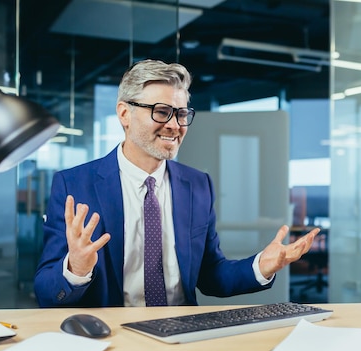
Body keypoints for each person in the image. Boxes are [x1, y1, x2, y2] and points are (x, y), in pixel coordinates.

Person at [34, 59, 319, 308]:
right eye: (161, 111)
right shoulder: (75, 185)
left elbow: (211, 276)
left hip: (182, 335)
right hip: (113, 339)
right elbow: (47, 292)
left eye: (181, 114)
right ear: (124, 114)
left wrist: (261, 266)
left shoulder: (198, 186)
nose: (174, 125)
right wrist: (75, 269)